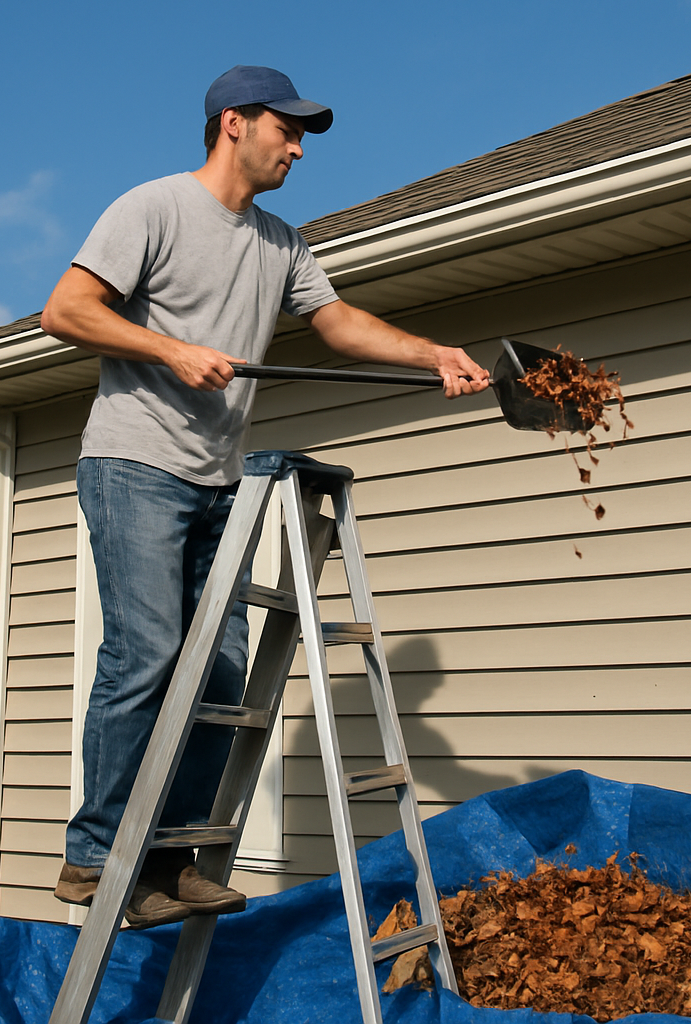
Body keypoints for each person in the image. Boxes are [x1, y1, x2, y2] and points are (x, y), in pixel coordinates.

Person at [39, 65, 489, 929]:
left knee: (225, 667)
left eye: (304, 135)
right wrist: (169, 352)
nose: (298, 146)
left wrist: (433, 352)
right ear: (233, 123)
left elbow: (338, 323)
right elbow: (66, 311)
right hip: (134, 464)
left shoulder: (281, 242)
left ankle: (169, 859)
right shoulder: (154, 208)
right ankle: (93, 855)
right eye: (287, 129)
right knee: (149, 653)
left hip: (217, 478)